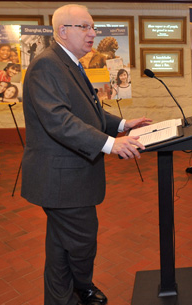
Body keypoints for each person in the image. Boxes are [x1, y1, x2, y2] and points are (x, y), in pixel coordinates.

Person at [20, 5, 152, 305]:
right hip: (61, 180)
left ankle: (65, 297)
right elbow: (59, 121)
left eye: (93, 27)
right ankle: (80, 288)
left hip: (70, 176)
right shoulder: (46, 65)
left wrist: (121, 125)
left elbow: (87, 111)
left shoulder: (71, 63)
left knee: (59, 246)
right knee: (81, 242)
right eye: (84, 27)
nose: (93, 33)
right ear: (62, 31)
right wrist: (110, 144)